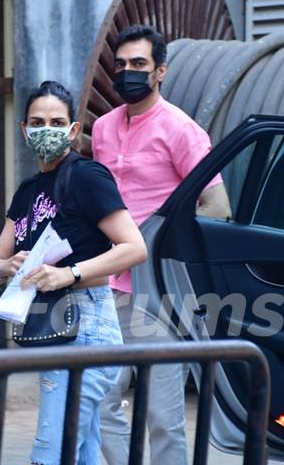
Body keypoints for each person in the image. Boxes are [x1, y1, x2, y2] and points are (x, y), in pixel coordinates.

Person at [0, 81, 147, 465]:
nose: (47, 130)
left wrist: (68, 273)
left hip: (87, 328)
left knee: (51, 452)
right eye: (38, 122)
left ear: (73, 130)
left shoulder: (88, 177)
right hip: (53, 330)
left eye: (57, 122)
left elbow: (134, 247)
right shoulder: (27, 190)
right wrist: (5, 267)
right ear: (24, 130)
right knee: (82, 450)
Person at [92, 25, 231, 465]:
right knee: (100, 396)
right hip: (106, 284)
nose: (128, 73)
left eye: (139, 65)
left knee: (161, 413)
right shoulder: (101, 129)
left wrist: (167, 250)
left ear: (161, 71)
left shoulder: (181, 130)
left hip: (159, 294)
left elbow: (217, 206)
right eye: (122, 65)